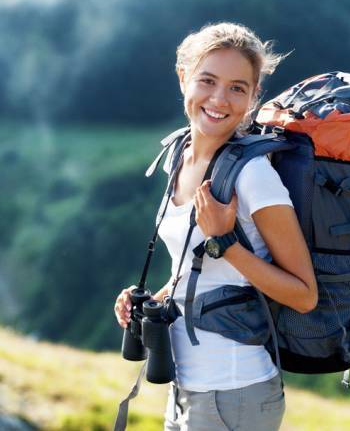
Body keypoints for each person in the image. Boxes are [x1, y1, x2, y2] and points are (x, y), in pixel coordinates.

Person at [114, 22, 317, 431]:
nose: (219, 99)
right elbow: (198, 270)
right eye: (207, 80)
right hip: (186, 387)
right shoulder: (178, 155)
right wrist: (156, 296)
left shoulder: (254, 176)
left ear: (254, 96)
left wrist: (227, 242)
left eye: (238, 88)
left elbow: (304, 295)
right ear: (183, 77)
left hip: (235, 391)